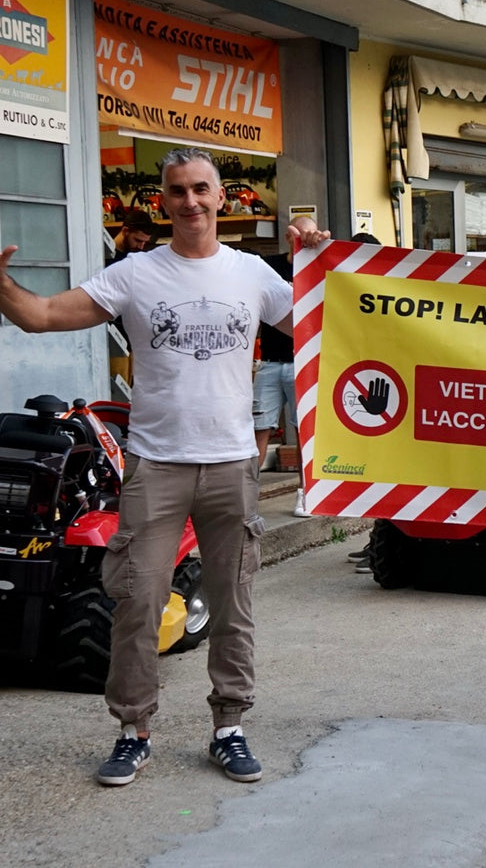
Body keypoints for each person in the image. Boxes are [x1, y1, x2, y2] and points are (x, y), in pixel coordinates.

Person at [0, 146, 330, 787]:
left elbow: (329, 328)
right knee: (136, 603)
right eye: (177, 191)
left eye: (201, 188)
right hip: (156, 467)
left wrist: (320, 258)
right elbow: (39, 317)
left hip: (233, 465)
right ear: (163, 200)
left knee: (233, 604)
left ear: (221, 196)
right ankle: (133, 732)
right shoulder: (134, 275)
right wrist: (2, 287)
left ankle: (229, 727)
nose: (191, 201)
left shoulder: (254, 274)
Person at [252, 223, 307, 518]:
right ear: (288, 237)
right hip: (271, 362)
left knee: (304, 434)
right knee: (259, 430)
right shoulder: (269, 266)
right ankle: (247, 498)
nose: (302, 243)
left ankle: (305, 494)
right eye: (298, 237)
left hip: (303, 362)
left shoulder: (317, 267)